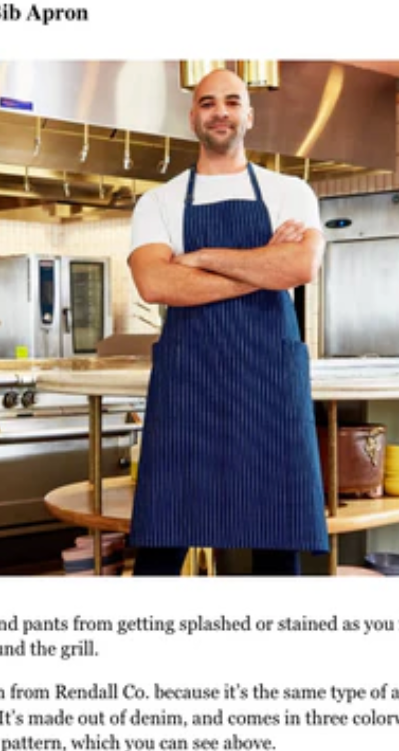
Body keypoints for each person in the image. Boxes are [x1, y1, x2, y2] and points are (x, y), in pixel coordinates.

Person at [127, 68, 329, 576]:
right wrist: (262, 264)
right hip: (188, 385)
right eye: (209, 102)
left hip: (267, 384)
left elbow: (300, 267)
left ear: (249, 116)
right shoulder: (159, 201)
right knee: (162, 539)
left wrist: (199, 258)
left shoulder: (291, 191)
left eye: (233, 102)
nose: (221, 111)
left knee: (276, 538)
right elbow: (156, 284)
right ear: (193, 116)